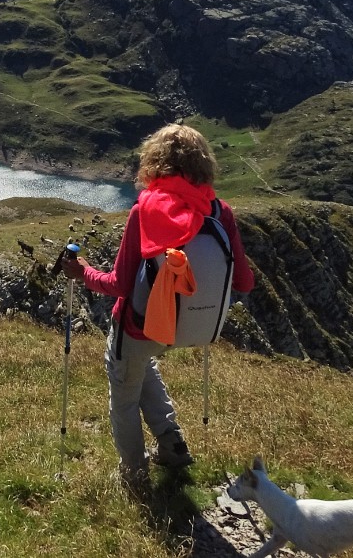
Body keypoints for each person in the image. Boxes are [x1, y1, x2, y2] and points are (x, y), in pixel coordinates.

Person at [63, 123, 254, 490]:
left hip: (140, 326)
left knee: (124, 394)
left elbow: (119, 284)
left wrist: (82, 271)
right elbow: (245, 282)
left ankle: (134, 478)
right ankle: (172, 446)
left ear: (154, 161)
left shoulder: (144, 211)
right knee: (142, 366)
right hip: (189, 327)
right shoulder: (219, 211)